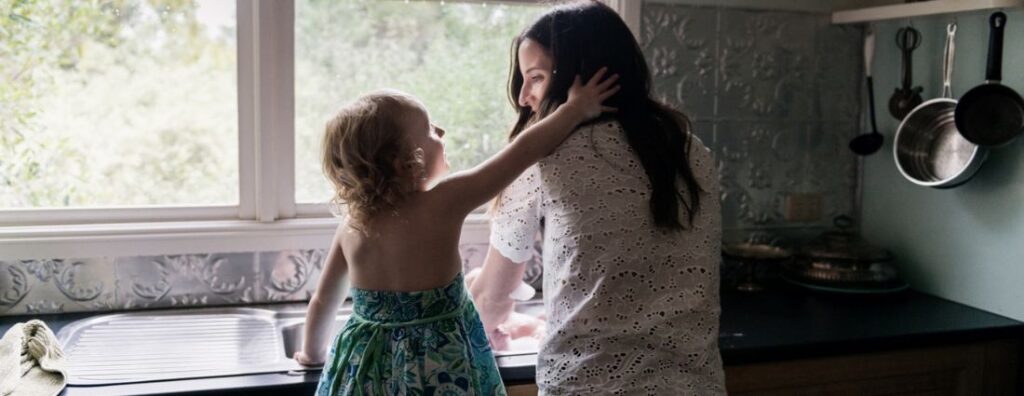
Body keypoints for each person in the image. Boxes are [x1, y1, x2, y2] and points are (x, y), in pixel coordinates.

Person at [294, 70, 619, 395]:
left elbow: (324, 301)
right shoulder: (444, 202)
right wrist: (575, 109)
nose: (441, 131)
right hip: (442, 366)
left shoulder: (352, 226)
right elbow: (522, 152)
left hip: (368, 367)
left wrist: (311, 356)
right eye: (429, 130)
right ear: (403, 161)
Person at [468, 1, 727, 394]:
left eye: (535, 78)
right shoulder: (692, 152)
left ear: (578, 76)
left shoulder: (541, 158)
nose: (523, 96)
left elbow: (491, 297)